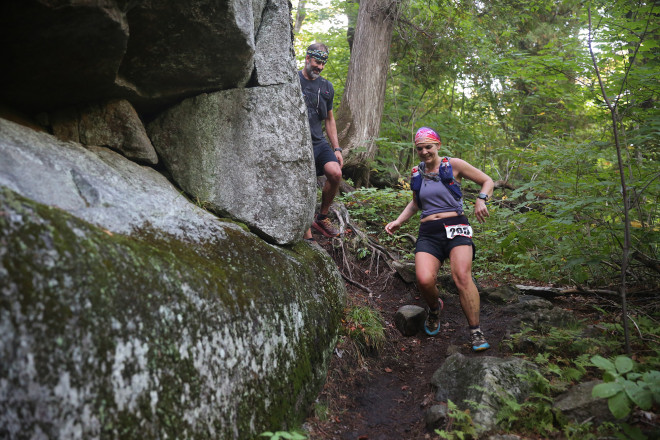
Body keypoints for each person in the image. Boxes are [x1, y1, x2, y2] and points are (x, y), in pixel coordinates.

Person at [385, 127, 494, 352]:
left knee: (462, 276)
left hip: (457, 227)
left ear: (438, 146)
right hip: (429, 232)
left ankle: (475, 330)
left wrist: (482, 199)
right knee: (424, 279)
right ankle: (435, 309)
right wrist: (398, 221)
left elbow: (487, 181)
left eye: (428, 147)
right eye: (420, 148)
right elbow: (416, 203)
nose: (425, 152)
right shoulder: (417, 172)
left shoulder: (454, 165)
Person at [299, 42, 343, 240]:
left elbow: (330, 119)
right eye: (317, 62)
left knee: (335, 173)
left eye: (323, 63)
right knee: (304, 183)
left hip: (318, 142)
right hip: (297, 143)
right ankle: (305, 229)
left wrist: (337, 148)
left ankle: (322, 217)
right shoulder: (293, 79)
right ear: (308, 58)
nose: (320, 67)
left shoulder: (327, 87)